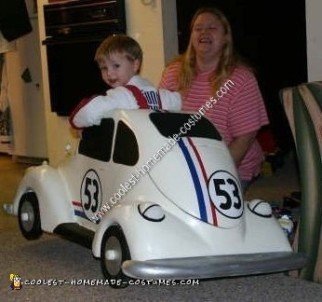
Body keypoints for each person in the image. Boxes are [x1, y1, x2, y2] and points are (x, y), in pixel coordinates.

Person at [159, 7, 269, 191]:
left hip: (231, 165)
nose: (204, 32)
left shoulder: (242, 79)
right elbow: (159, 121)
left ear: (226, 37)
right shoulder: (172, 73)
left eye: (212, 28)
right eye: (198, 28)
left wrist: (210, 175)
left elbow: (244, 139)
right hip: (184, 162)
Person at [69, 34, 181, 129]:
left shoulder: (122, 96)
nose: (109, 73)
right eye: (104, 68)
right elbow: (179, 102)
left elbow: (86, 114)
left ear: (135, 65)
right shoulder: (162, 96)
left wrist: (74, 122)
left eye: (116, 66)